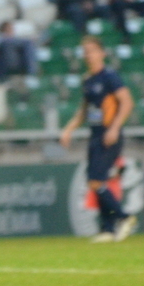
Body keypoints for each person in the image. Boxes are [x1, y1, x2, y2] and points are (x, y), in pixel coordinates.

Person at [59, 36, 136, 242]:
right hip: (95, 135)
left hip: (108, 134)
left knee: (95, 181)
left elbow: (127, 102)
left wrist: (115, 128)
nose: (88, 55)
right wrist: (69, 129)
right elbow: (84, 110)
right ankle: (107, 229)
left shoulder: (110, 76)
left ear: (102, 53)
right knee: (97, 180)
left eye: (92, 50)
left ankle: (123, 217)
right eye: (85, 51)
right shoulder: (88, 80)